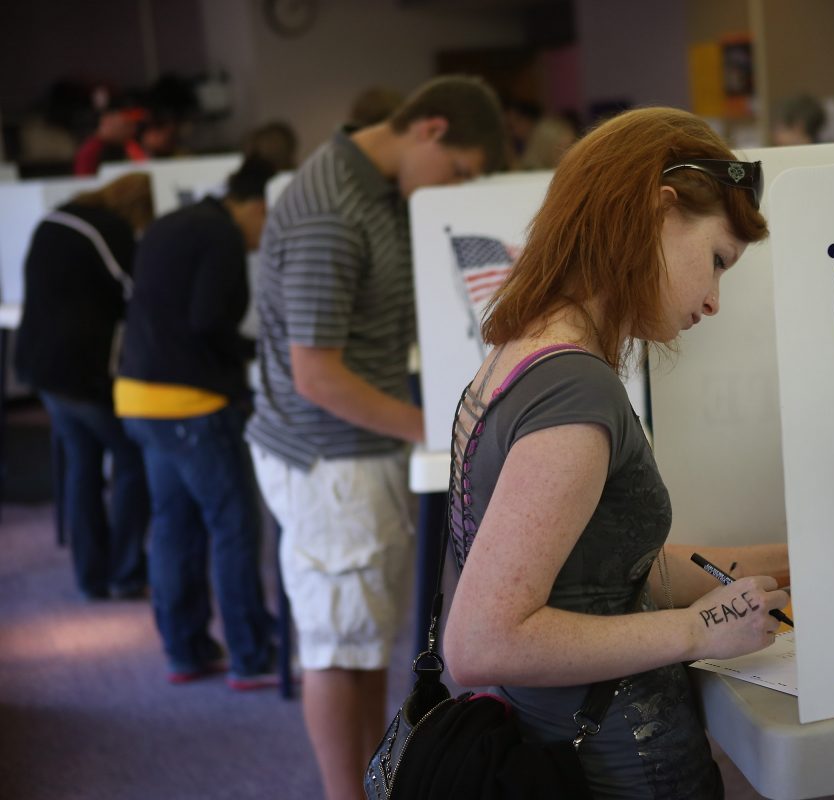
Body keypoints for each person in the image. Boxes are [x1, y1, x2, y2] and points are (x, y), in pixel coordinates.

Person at [441, 107, 791, 800]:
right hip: (621, 769)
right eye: (716, 261)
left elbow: (605, 577)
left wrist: (793, 560)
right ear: (657, 214)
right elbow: (481, 643)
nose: (715, 300)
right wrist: (696, 632)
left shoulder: (524, 354)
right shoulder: (576, 391)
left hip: (577, 749)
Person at [246, 75, 507, 800]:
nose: (454, 188)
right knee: (336, 647)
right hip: (328, 458)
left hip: (356, 451)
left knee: (362, 645)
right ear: (428, 130)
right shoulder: (332, 209)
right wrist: (438, 431)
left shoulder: (380, 196)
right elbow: (317, 376)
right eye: (458, 170)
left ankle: (363, 786)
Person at [115, 157, 279, 689]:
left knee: (173, 527)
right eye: (267, 222)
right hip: (192, 404)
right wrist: (253, 352)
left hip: (138, 395)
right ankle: (251, 655)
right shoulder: (222, 236)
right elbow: (208, 319)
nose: (264, 237)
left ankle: (185, 650)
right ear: (254, 208)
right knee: (232, 526)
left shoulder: (172, 221)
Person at [14, 173, 154, 600]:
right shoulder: (109, 232)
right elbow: (138, 293)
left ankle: (91, 575)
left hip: (41, 367)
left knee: (82, 466)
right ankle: (126, 570)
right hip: (82, 371)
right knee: (131, 459)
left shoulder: (55, 220)